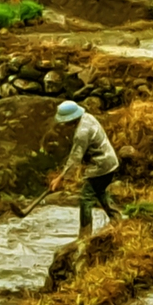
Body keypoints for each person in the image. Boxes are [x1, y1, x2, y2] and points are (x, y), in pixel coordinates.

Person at [50, 100, 119, 236]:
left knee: (86, 198)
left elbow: (75, 158)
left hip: (101, 166)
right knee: (100, 192)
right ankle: (117, 219)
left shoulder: (82, 133)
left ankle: (84, 234)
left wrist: (60, 178)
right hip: (110, 162)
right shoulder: (87, 117)